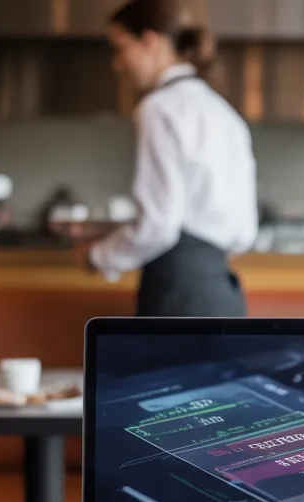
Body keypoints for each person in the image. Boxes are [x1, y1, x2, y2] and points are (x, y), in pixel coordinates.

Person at [87, 0, 257, 316]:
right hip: (222, 295)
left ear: (150, 42)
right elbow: (245, 232)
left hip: (178, 297)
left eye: (121, 48)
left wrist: (97, 256)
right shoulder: (224, 113)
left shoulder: (159, 109)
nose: (118, 64)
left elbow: (158, 225)